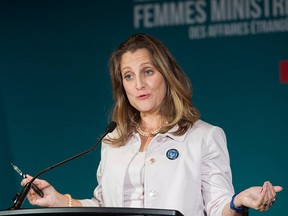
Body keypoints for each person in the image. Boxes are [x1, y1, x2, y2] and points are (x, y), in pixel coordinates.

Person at [21, 34, 283, 216]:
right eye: (128, 76)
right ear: (121, 86)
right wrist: (59, 201)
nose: (139, 85)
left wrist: (238, 203)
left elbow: (218, 209)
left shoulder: (205, 136)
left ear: (166, 75)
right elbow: (105, 207)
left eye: (148, 71)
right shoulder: (113, 141)